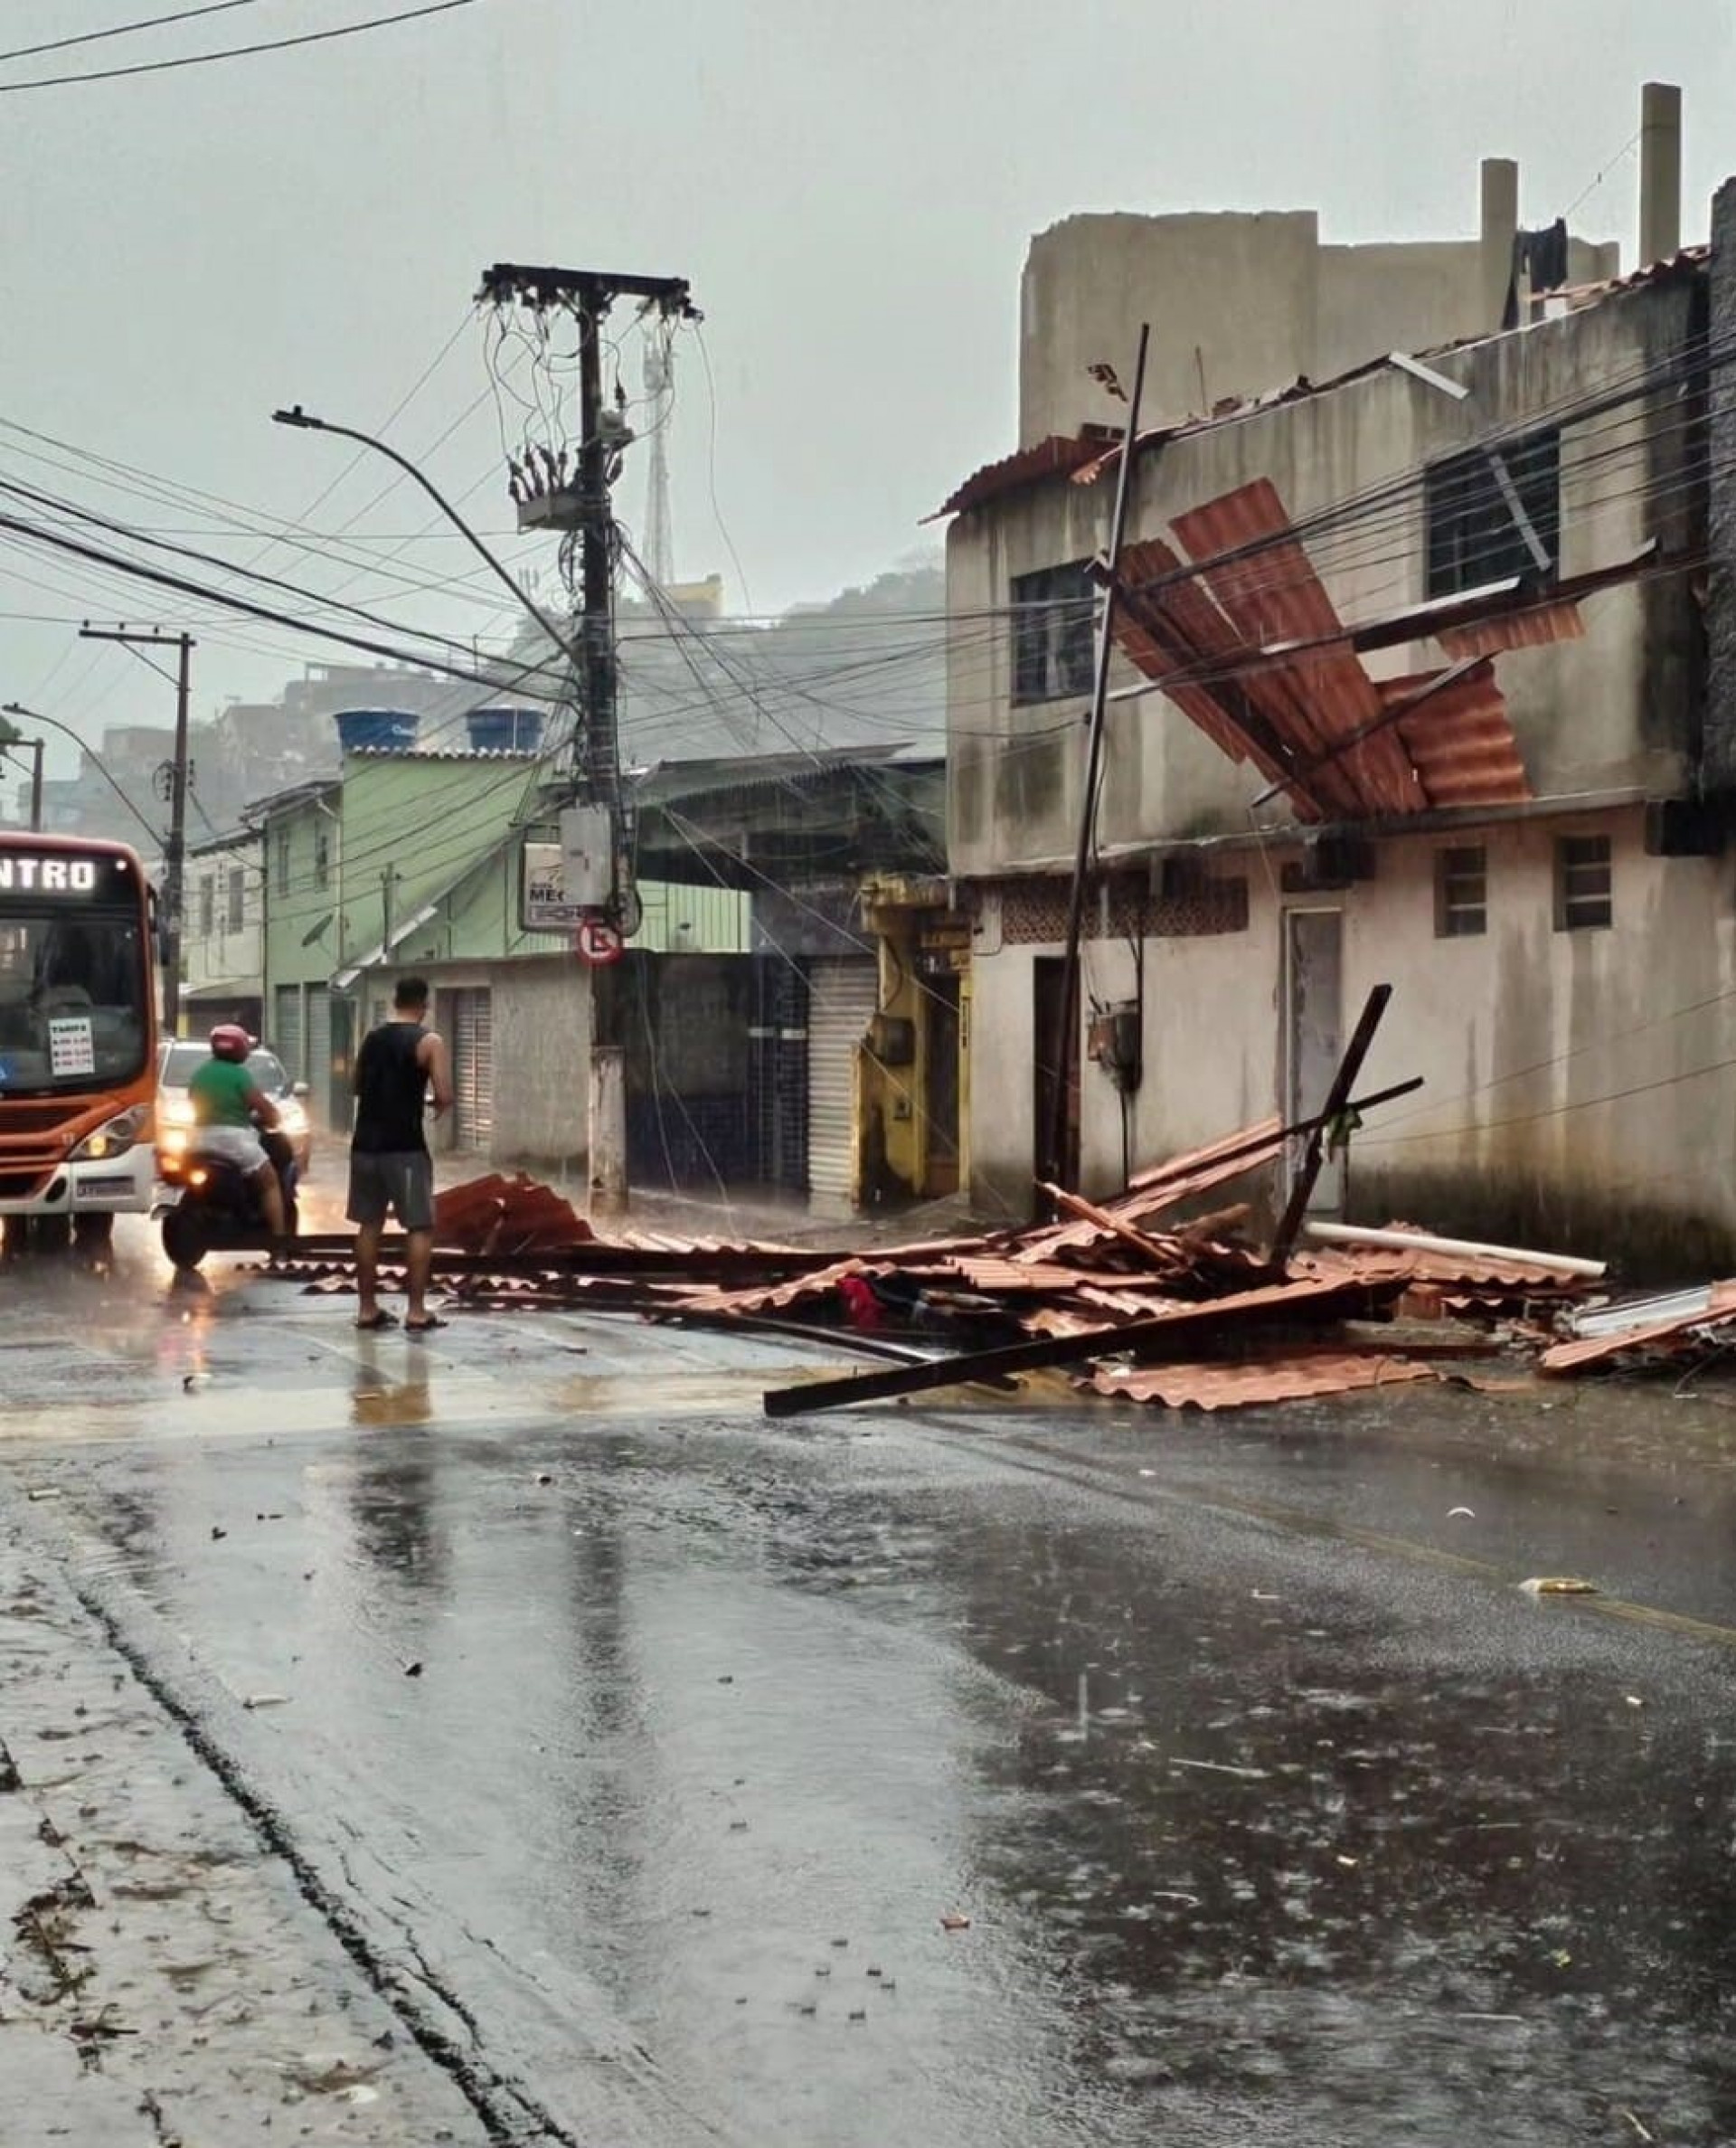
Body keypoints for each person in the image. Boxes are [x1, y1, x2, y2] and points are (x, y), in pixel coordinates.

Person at [347, 976, 454, 1334]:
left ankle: (366, 1308)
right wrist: (432, 1102)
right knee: (419, 1226)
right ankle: (417, 1311)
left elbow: (357, 1086)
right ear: (424, 1004)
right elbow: (444, 1093)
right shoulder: (429, 1041)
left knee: (369, 1225)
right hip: (405, 1149)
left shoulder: (372, 1038)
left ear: (395, 1001)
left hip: (364, 1146)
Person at [187, 1025, 288, 1249]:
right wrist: (272, 1117)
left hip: (199, 1140)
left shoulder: (200, 1073)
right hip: (234, 1140)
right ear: (239, 1049)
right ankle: (280, 1242)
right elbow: (261, 1106)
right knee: (270, 1180)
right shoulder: (240, 1075)